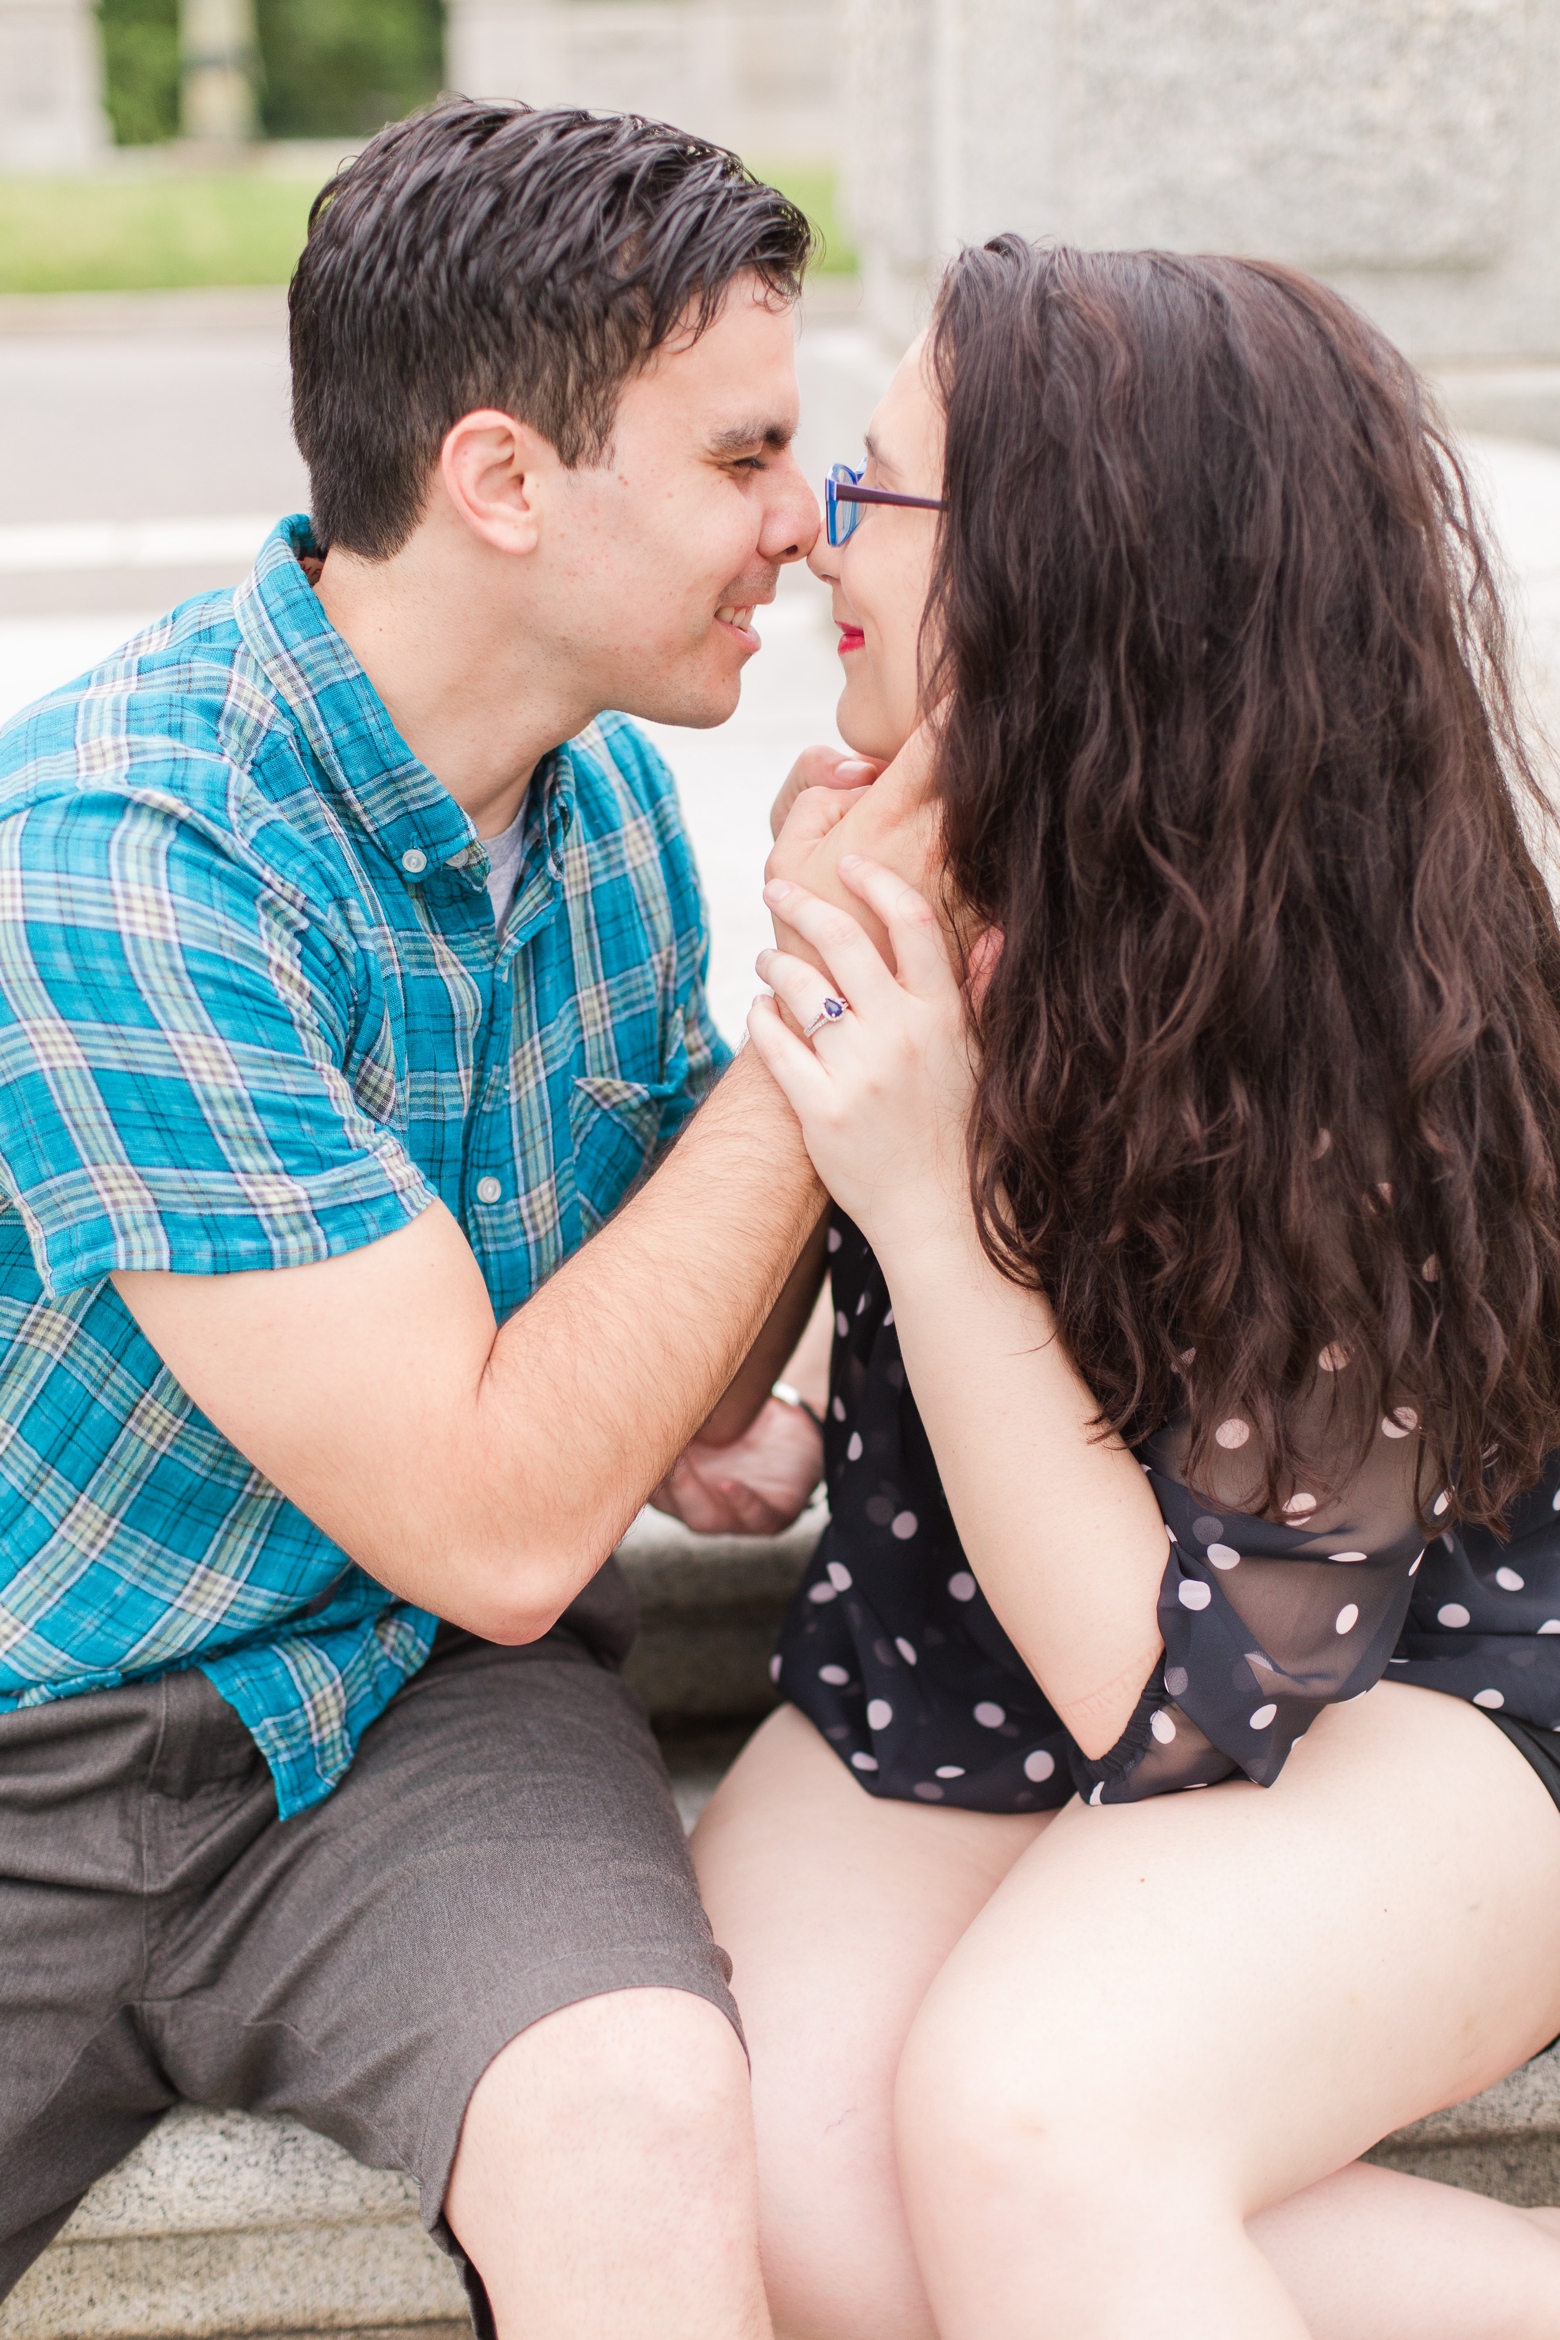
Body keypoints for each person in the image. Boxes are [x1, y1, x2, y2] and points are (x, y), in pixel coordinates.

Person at [0, 97, 832, 2340]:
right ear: (501, 481)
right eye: (745, 459)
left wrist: (716, 1377)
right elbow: (493, 1500)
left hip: (421, 1713)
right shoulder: (115, 859)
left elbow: (644, 1403)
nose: (810, 523)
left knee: (650, 2112)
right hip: (37, 1751)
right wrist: (825, 1025)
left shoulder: (613, 808)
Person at [691, 240, 1560, 2339]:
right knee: (775, 2181)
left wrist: (906, 1182)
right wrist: (802, 1350)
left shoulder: (1355, 999)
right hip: (958, 1622)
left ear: (1058, 580)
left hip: (1399, 1689)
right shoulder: (932, 862)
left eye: (870, 493)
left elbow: (1190, 1697)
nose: (815, 539)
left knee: (1034, 2123)